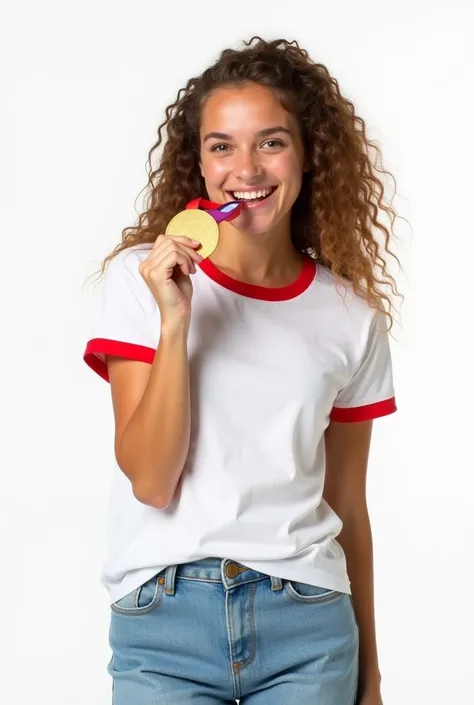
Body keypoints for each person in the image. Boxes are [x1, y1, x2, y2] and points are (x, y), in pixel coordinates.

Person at [84, 36, 400, 705]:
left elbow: (348, 508)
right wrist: (176, 321)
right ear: (197, 161)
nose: (246, 167)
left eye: (271, 141)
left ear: (308, 153)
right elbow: (150, 478)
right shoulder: (141, 280)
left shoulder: (351, 317)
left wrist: (370, 673)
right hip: (163, 628)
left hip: (308, 628)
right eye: (222, 145)